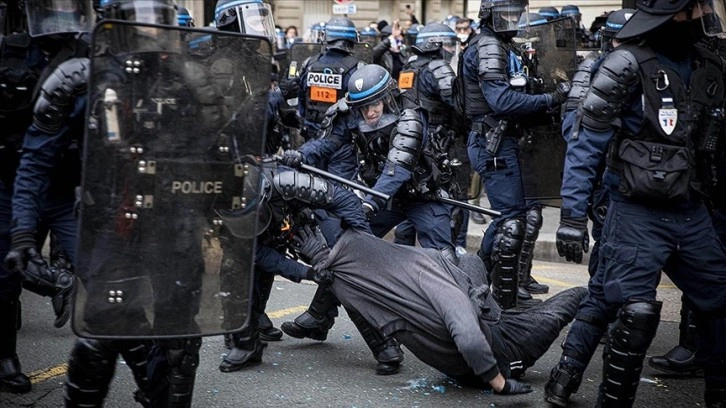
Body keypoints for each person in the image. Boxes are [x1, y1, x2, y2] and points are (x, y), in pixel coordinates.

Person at [545, 1, 726, 407]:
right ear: (673, 14)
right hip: (635, 208)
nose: (703, 16)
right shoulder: (624, 64)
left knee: (719, 301)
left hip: (691, 208)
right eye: (694, 8)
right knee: (630, 308)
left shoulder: (707, 64)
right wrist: (573, 215)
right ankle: (581, 384)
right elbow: (585, 142)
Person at [291, 223, 587, 394]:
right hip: (504, 352)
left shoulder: (350, 285)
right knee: (578, 295)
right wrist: (500, 383)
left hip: (461, 354)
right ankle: (564, 376)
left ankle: (489, 287)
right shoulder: (431, 275)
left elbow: (337, 268)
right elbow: (470, 338)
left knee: (470, 261)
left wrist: (319, 257)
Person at [0, 0, 89, 394]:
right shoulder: (11, 50)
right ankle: (5, 355)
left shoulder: (90, 53)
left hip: (65, 186)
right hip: (12, 179)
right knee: (8, 272)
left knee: (99, 268)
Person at [462, 0, 570, 310]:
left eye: (515, 14)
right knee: (509, 219)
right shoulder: (488, 47)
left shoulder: (503, 45)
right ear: (489, 16)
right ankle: (493, 296)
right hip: (493, 142)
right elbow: (503, 101)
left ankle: (481, 286)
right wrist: (552, 97)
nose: (512, 20)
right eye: (505, 14)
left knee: (516, 217)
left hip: (508, 141)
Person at [560, 7, 634, 278]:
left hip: (639, 177)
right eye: (621, 42)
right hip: (604, 174)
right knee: (607, 249)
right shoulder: (591, 70)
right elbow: (574, 132)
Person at [296, 16, 364, 179]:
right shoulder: (358, 68)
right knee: (338, 194)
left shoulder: (308, 64)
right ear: (351, 40)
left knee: (311, 188)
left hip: (311, 141)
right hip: (341, 144)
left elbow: (301, 104)